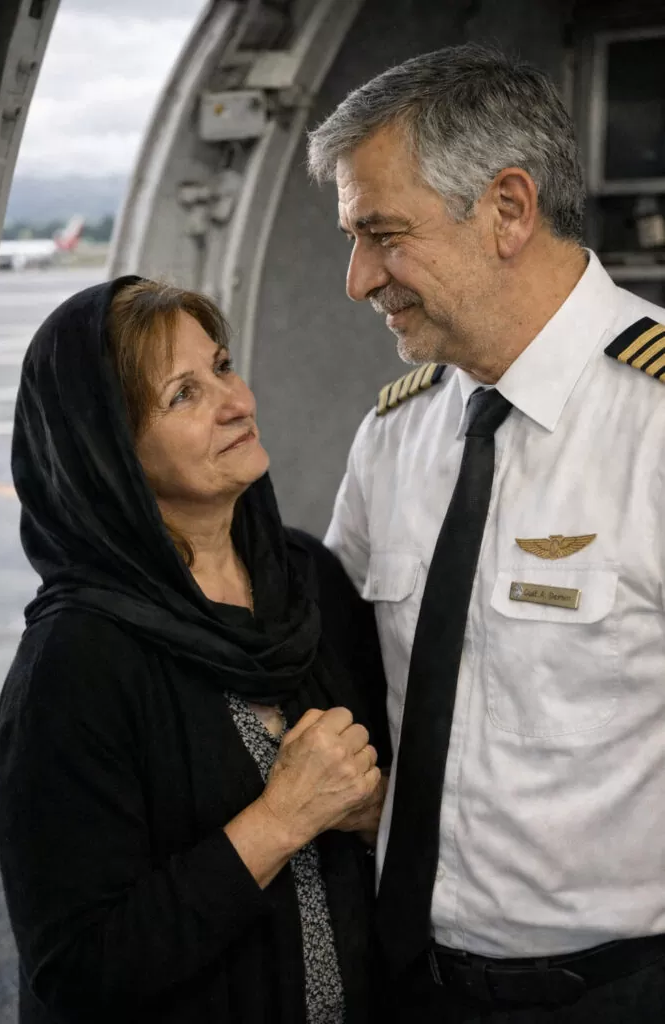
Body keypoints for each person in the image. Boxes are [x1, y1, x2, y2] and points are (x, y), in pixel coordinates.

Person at [307, 42, 665, 1023]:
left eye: (382, 234)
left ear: (507, 208)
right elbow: (340, 669)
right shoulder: (394, 432)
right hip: (403, 978)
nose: (357, 279)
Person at [0, 277, 390, 1024]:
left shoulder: (307, 578)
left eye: (223, 366)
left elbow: (381, 791)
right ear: (110, 451)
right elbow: (76, 967)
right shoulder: (73, 663)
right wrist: (280, 819)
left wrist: (374, 809)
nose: (236, 402)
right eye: (184, 394)